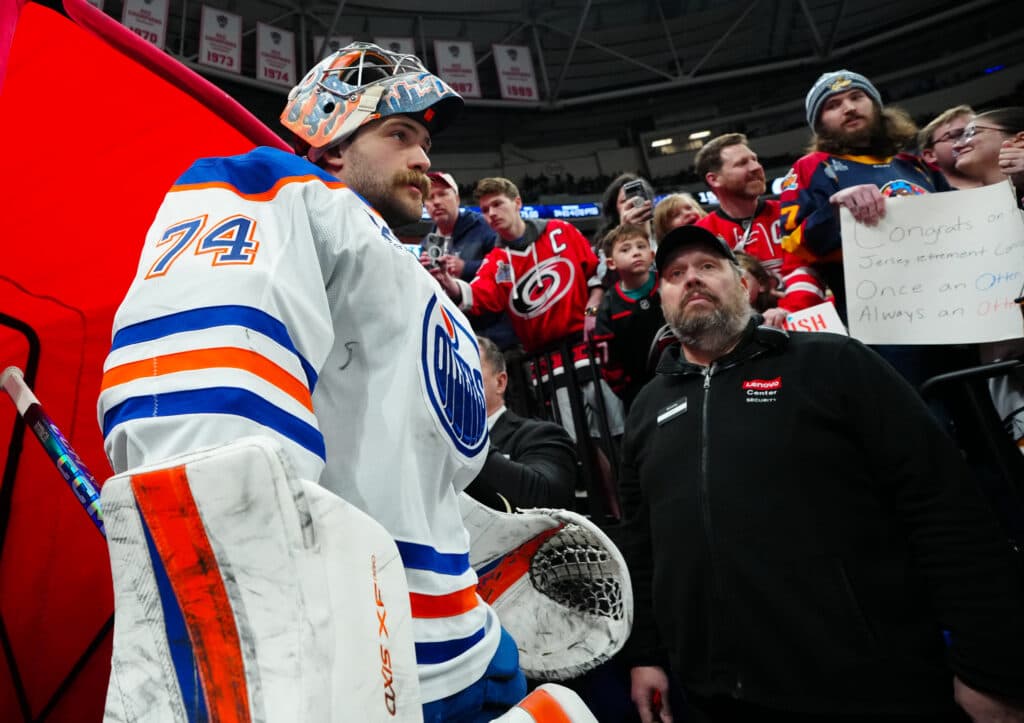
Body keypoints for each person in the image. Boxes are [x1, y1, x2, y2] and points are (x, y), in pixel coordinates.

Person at [97, 43, 527, 721]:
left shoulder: (424, 288)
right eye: (399, 135)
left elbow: (408, 472)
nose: (423, 158)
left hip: (465, 644)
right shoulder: (277, 190)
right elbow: (204, 426)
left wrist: (483, 554)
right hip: (360, 657)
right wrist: (255, 621)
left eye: (425, 142)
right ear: (330, 148)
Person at [620, 224, 1024, 723]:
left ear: (744, 285)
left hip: (866, 689)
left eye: (707, 266)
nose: (692, 279)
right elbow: (640, 544)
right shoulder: (647, 408)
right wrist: (646, 654)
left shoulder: (833, 363)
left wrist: (989, 667)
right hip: (715, 695)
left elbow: (942, 505)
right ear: (662, 300)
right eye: (675, 273)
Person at [779, 69, 958, 387]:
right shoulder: (811, 167)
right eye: (833, 105)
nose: (849, 108)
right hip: (883, 327)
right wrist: (834, 211)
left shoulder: (915, 166)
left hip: (954, 309)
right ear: (819, 123)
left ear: (876, 105)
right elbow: (793, 244)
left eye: (857, 97)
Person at [431, 176, 623, 443]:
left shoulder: (561, 231)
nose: (491, 213)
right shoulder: (498, 261)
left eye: (497, 204)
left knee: (618, 431)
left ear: (517, 202)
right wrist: (450, 284)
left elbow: (596, 275)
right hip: (547, 363)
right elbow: (479, 294)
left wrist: (591, 312)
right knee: (577, 443)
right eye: (485, 209)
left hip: (588, 348)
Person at [694, 132, 825, 324]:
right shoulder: (701, 234)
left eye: (754, 159)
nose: (756, 167)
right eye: (742, 163)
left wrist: (787, 310)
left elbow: (806, 271)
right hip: (737, 333)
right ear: (714, 180)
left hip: (802, 321)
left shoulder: (789, 213)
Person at [464, 336, 577, 512]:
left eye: (465, 367)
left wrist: (463, 439)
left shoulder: (540, 434)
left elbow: (546, 499)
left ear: (500, 382)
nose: (453, 379)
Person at [593, 224, 673, 411]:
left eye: (641, 246)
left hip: (685, 372)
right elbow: (609, 360)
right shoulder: (608, 306)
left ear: (652, 255)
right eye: (626, 249)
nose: (636, 253)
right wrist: (628, 391)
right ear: (611, 263)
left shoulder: (670, 283)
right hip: (640, 390)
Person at [918, 104, 981, 189]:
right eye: (957, 135)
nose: (972, 139)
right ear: (930, 155)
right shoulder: (926, 196)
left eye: (976, 132)